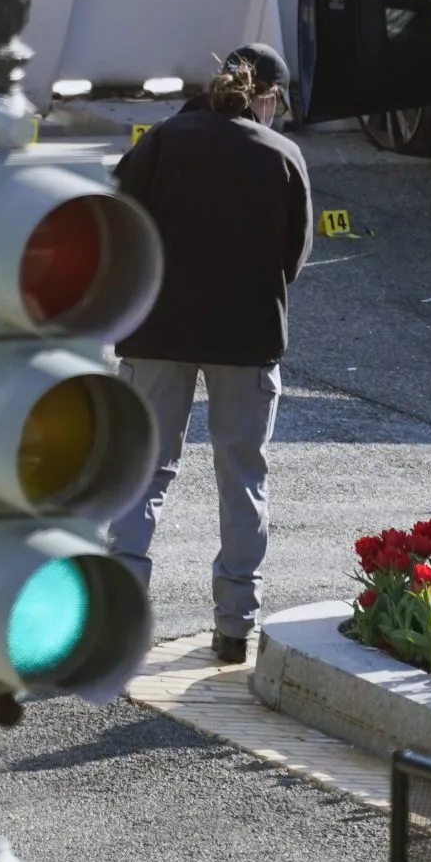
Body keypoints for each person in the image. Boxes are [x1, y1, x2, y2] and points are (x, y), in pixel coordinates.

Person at [105, 44, 314, 665]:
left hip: (155, 331)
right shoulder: (281, 155)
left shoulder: (164, 141)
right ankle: (234, 627)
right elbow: (294, 257)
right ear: (267, 97)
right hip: (246, 338)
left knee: (144, 472)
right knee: (242, 477)